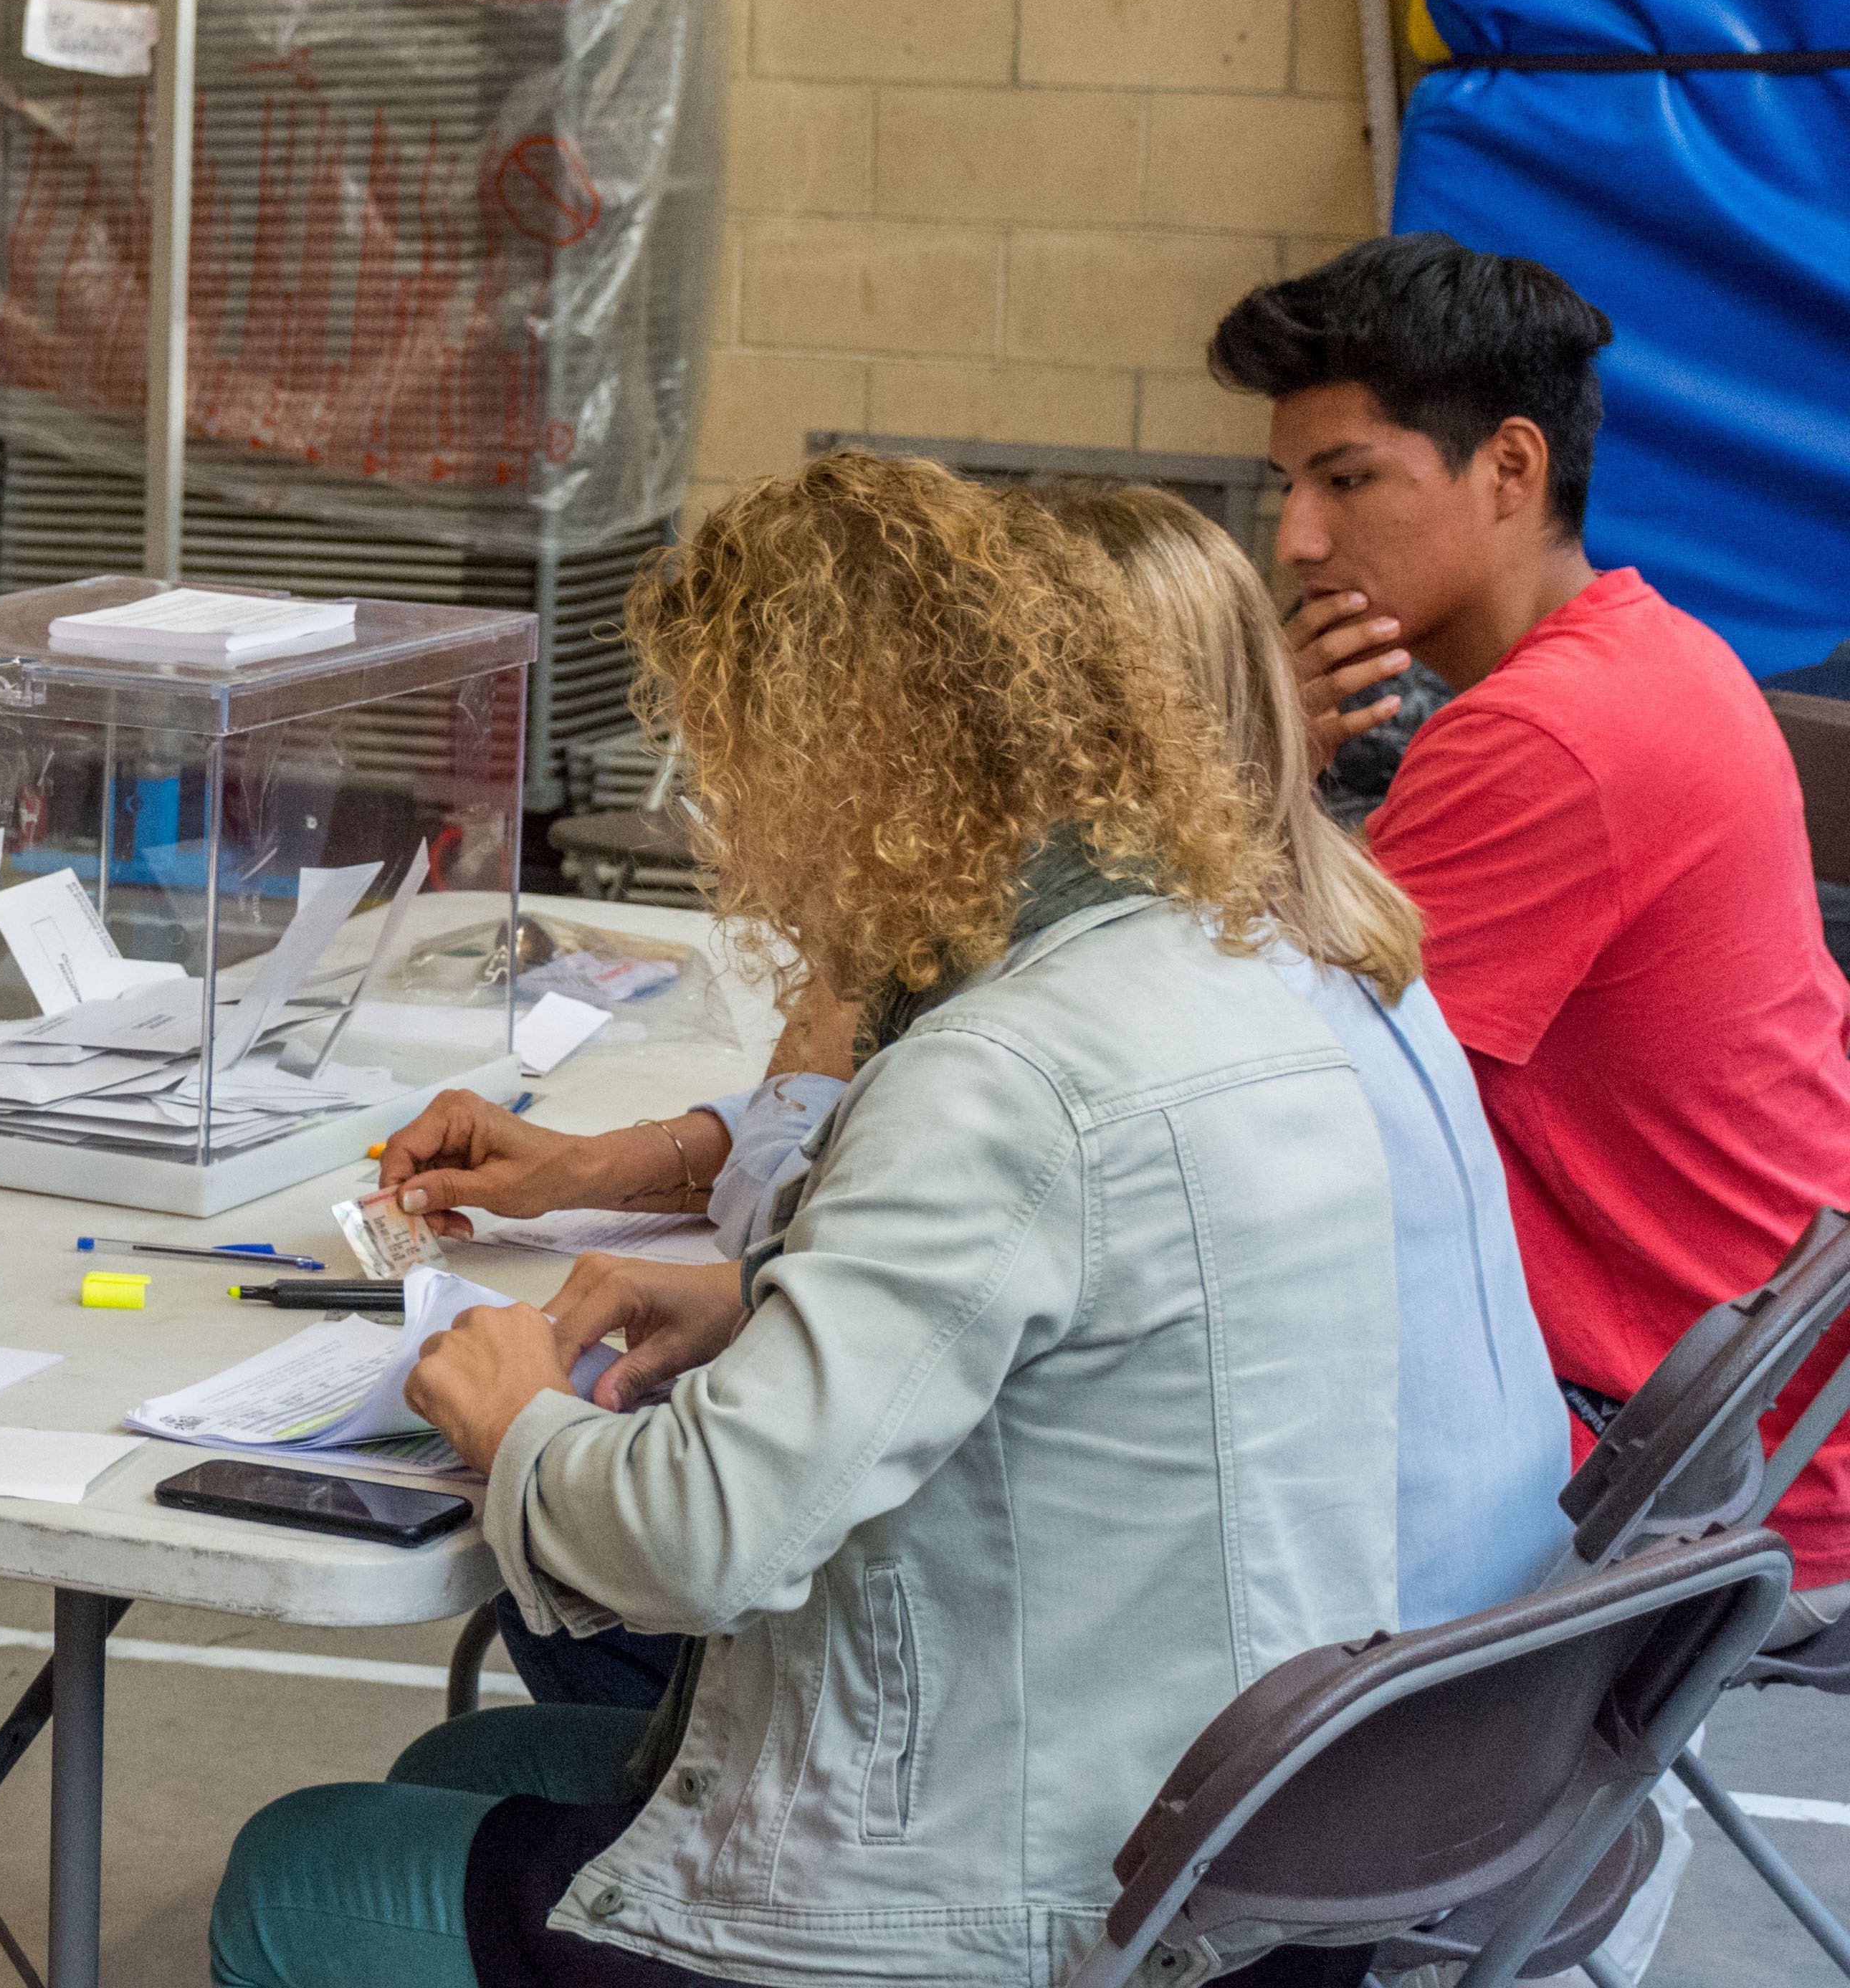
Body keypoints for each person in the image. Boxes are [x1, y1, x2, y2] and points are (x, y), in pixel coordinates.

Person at [212, 451, 1396, 1988]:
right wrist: (763, 1298)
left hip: (1022, 1915)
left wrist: (520, 1422)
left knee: (290, 1869)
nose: (729, 828)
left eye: (731, 771)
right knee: (460, 1770)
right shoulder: (1228, 985)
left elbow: (709, 1539)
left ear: (840, 767)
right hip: (1223, 1862)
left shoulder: (994, 1076)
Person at [388, 479, 1575, 1673]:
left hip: (1277, 1696)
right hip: (1432, 1683)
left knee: (596, 1605)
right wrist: (704, 1243)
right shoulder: (1301, 953)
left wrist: (522, 1421)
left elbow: (713, 1536)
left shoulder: (1023, 1059)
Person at [1211, 234, 1850, 1631]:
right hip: (1741, 1411)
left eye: (1348, 477)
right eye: (1289, 486)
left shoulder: (1546, 737)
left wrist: (1250, 760)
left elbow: (1232, 1085)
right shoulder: (1652, 649)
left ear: (1510, 468)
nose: (1299, 540)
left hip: (1676, 1477)